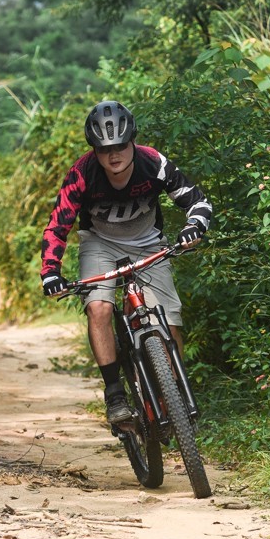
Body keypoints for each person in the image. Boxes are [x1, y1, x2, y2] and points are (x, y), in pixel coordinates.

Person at [41, 100, 213, 425]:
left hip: (149, 245)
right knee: (99, 309)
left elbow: (197, 201)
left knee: (169, 322)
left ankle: (173, 392)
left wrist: (194, 226)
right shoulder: (81, 174)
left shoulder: (154, 164)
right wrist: (51, 272)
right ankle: (115, 394)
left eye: (120, 146)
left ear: (132, 140)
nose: (114, 155)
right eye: (104, 149)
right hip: (100, 245)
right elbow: (57, 226)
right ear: (94, 150)